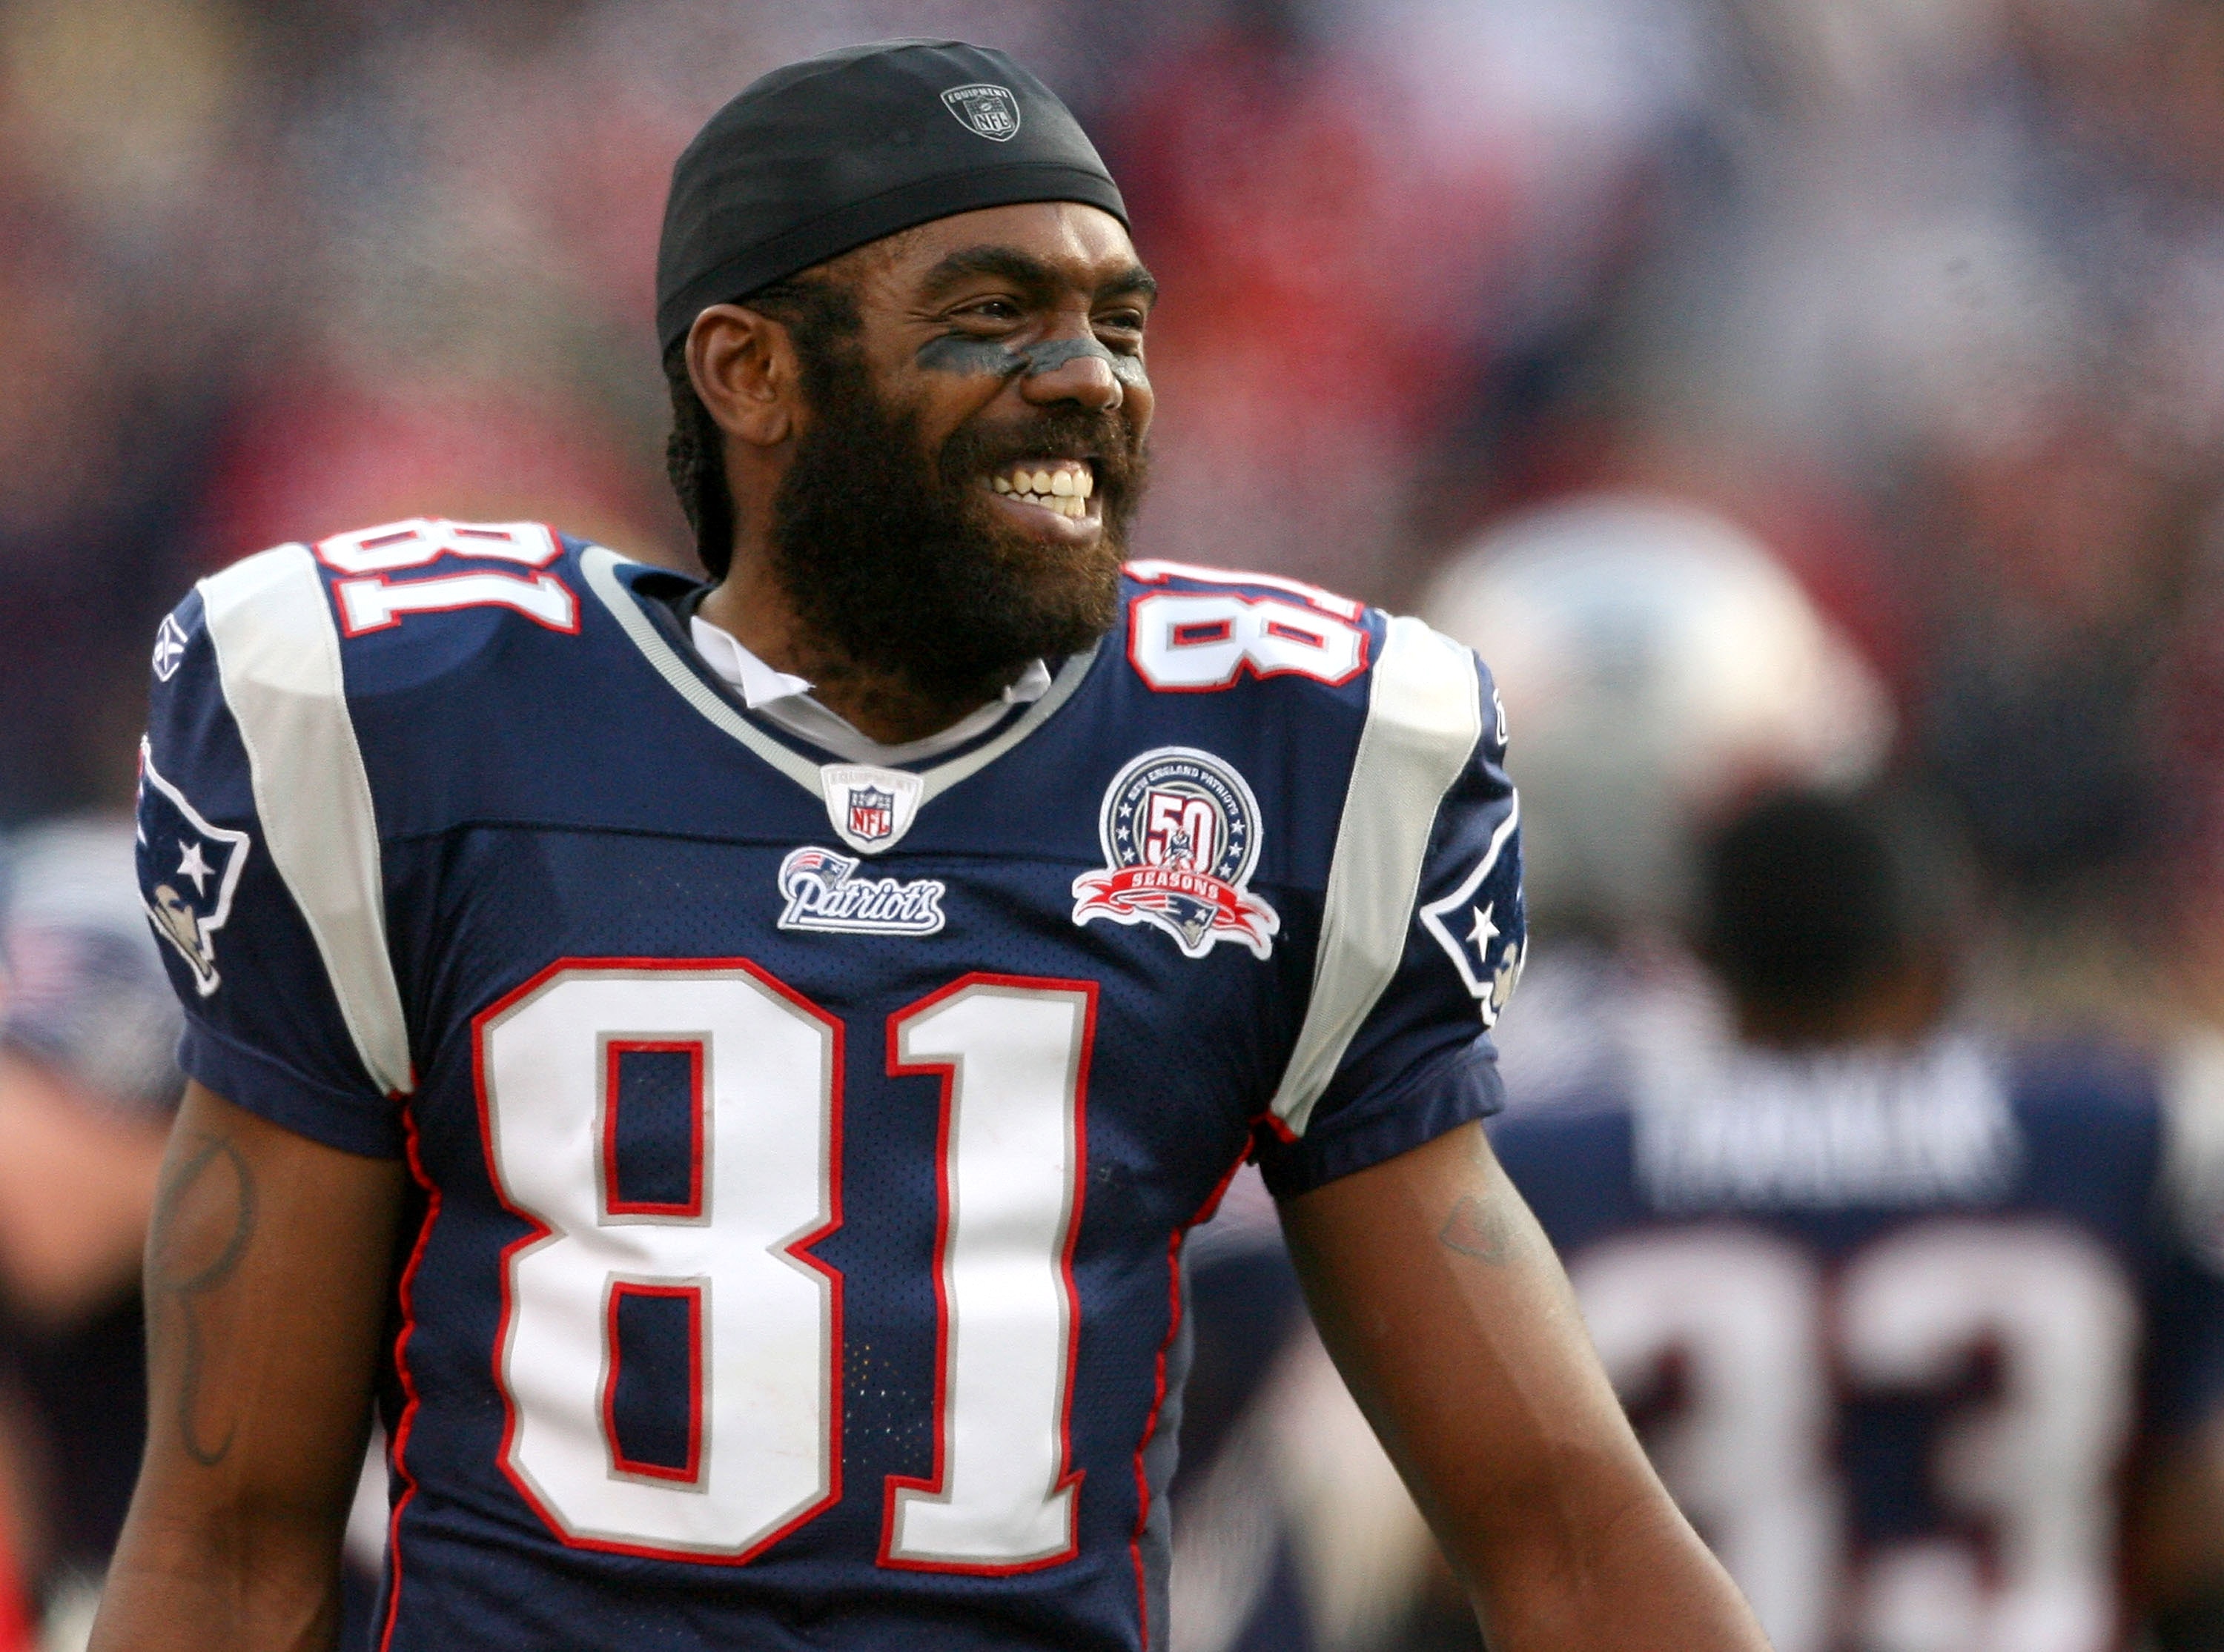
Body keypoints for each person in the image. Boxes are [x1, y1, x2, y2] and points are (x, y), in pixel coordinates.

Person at [90, 40, 1767, 1652]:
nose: (1086, 375)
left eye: (1117, 318)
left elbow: (1563, 1526)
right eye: (993, 314)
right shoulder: (410, 728)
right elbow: (228, 1546)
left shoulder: (1288, 762)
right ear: (749, 372)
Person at [1492, 788, 2224, 1652]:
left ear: (1701, 957)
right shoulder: (2126, 1129)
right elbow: (2197, 1515)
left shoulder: (1554, 1165)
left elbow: (1467, 1541)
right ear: (1935, 955)